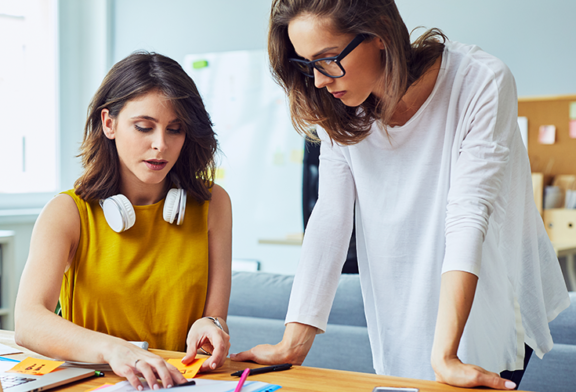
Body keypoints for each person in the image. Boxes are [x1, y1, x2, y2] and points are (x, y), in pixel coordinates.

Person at [230, 0, 571, 390]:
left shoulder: (479, 81)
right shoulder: (338, 106)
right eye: (307, 65)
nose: (319, 81)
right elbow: (331, 217)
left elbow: (468, 213)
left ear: (378, 34)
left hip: (488, 291)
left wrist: (445, 354)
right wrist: (292, 342)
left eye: (326, 59)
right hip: (404, 298)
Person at [14, 52, 233, 391]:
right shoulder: (68, 212)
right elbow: (28, 321)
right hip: (98, 383)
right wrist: (117, 350)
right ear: (109, 123)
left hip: (179, 384)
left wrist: (212, 324)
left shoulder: (213, 203)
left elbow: (215, 316)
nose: (161, 144)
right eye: (144, 127)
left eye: (175, 130)